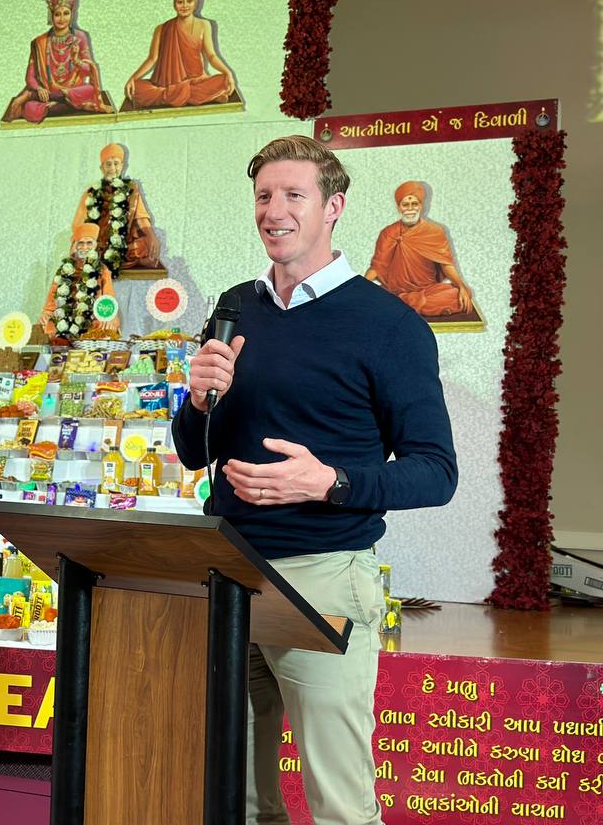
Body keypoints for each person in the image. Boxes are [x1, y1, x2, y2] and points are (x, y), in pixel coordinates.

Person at [172, 135, 457, 825]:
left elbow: (436, 472)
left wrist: (328, 482)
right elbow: (191, 453)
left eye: (293, 195)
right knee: (233, 800)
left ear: (334, 207)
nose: (275, 211)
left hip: (323, 577)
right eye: (264, 196)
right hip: (227, 572)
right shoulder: (235, 307)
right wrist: (198, 402)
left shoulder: (389, 325)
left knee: (338, 809)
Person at [2, 0, 113, 124]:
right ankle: (61, 102)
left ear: (72, 15)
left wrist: (76, 60)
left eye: (66, 13)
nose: (62, 19)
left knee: (90, 89)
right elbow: (30, 77)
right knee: (30, 109)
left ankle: (33, 96)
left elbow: (89, 70)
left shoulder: (80, 37)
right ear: (51, 15)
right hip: (47, 92)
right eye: (57, 14)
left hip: (72, 91)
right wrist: (38, 88)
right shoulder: (39, 42)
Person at [365, 181, 474, 317]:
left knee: (460, 294)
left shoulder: (435, 231)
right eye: (405, 204)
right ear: (399, 207)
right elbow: (377, 267)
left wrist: (461, 286)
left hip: (427, 290)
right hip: (396, 291)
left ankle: (399, 304)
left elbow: (446, 265)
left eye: (414, 204)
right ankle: (407, 303)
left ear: (421, 206)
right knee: (375, 295)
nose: (410, 209)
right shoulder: (388, 233)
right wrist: (361, 286)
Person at [124, 0, 235, 110]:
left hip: (196, 81)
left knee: (223, 80)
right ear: (174, 3)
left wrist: (228, 72)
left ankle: (180, 96)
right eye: (180, 2)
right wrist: (133, 78)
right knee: (137, 87)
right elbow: (152, 58)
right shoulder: (162, 28)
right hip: (168, 84)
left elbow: (211, 55)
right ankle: (204, 97)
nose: (185, 6)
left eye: (189, 1)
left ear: (196, 2)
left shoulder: (204, 25)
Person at [70, 143, 162, 273]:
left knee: (145, 245)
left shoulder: (131, 189)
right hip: (96, 242)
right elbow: (79, 223)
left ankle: (109, 258)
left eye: (116, 163)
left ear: (122, 166)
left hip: (123, 242)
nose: (112, 168)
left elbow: (141, 217)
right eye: (108, 164)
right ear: (102, 167)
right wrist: (82, 240)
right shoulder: (91, 192)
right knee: (80, 247)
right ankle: (101, 257)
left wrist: (151, 236)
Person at [38, 223, 120, 337]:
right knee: (46, 324)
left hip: (91, 318)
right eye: (81, 243)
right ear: (75, 246)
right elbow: (51, 302)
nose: (85, 247)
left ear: (95, 246)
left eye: (89, 243)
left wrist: (110, 317)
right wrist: (46, 313)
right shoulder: (65, 270)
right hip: (65, 317)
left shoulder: (102, 270)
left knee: (105, 325)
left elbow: (108, 299)